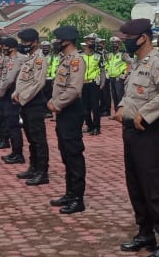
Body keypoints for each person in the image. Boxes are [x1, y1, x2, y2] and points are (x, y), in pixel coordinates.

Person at [114, 18, 159, 257]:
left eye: (128, 39)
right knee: (136, 186)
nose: (125, 43)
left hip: (150, 132)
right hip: (131, 132)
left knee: (155, 188)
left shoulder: (158, 62)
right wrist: (122, 107)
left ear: (143, 37)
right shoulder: (136, 64)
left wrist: (145, 113)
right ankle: (145, 233)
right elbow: (131, 94)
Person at [47, 26, 87, 214]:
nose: (55, 43)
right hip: (63, 111)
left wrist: (56, 103)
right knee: (66, 153)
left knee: (74, 154)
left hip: (71, 110)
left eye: (58, 39)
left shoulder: (76, 60)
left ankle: (77, 198)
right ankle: (70, 193)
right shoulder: (65, 59)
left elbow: (74, 89)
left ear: (67, 41)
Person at [14, 28, 50, 186]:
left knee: (38, 139)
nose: (23, 44)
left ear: (35, 42)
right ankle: (33, 167)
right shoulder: (29, 58)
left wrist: (22, 97)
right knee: (31, 138)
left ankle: (42, 172)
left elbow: (38, 83)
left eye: (26, 42)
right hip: (25, 102)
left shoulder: (39, 59)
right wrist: (16, 93)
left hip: (33, 102)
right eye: (22, 41)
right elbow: (22, 81)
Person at [0, 37, 24, 164]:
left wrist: (0, 91)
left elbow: (9, 79)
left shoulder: (17, 60)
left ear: (12, 48)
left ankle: (18, 153)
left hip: (11, 93)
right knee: (10, 123)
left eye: (5, 47)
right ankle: (15, 152)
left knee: (13, 125)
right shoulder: (10, 60)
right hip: (9, 93)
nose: (3, 49)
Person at [81, 35, 104, 135]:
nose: (92, 43)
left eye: (94, 41)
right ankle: (89, 126)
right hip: (83, 84)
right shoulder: (80, 55)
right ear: (86, 42)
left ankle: (96, 127)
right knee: (84, 108)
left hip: (94, 83)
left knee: (95, 107)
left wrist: (102, 83)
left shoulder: (98, 55)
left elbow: (102, 70)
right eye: (90, 41)